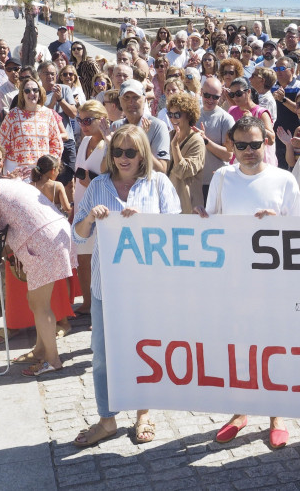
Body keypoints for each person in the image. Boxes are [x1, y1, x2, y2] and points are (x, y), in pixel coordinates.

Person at [72, 124, 181, 447]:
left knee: (143, 351)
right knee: (103, 356)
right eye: (116, 151)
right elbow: (78, 234)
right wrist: (91, 218)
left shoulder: (158, 183)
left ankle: (143, 414)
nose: (122, 158)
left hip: (146, 289)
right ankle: (107, 420)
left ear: (142, 154)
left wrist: (146, 223)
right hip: (107, 287)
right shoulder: (98, 186)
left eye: (130, 152)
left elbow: (176, 229)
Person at [198, 116, 300, 450]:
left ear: (265, 143)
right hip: (234, 279)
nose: (248, 151)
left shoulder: (285, 180)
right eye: (241, 145)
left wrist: (279, 225)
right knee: (239, 345)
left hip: (274, 281)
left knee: (274, 346)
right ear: (232, 146)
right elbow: (211, 225)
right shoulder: (222, 178)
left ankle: (276, 415)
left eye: (254, 144)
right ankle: (240, 411)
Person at [0, 165, 75, 377]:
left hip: (44, 240)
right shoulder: (3, 183)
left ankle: (52, 359)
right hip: (55, 234)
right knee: (35, 300)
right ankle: (40, 350)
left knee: (40, 305)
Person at [71, 101, 108, 316]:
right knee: (82, 258)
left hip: (100, 208)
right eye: (79, 120)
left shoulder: (109, 144)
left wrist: (87, 181)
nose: (83, 125)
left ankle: (100, 308)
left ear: (101, 120)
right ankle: (87, 303)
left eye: (88, 120)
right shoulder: (84, 141)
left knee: (99, 260)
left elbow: (107, 177)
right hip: (81, 205)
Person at [0, 77, 63, 176]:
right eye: (27, 91)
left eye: (35, 90)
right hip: (16, 169)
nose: (31, 93)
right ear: (22, 94)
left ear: (40, 92)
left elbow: (56, 143)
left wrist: (51, 164)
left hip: (42, 170)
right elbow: (2, 143)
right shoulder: (12, 115)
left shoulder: (48, 114)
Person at [111, 80, 170, 172]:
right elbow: (105, 168)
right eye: (126, 97)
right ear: (120, 101)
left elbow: (161, 169)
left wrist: (141, 142)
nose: (131, 102)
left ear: (145, 99)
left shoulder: (157, 126)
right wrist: (109, 144)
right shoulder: (116, 126)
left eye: (135, 97)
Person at [196, 77, 235, 202]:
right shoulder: (193, 115)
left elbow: (228, 155)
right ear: (201, 92)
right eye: (207, 95)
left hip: (217, 181)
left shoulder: (226, 119)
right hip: (195, 181)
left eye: (215, 97)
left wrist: (205, 141)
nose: (210, 100)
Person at [166, 92, 205, 214]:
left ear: (188, 115)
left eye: (177, 114)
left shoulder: (197, 141)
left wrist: (175, 146)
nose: (173, 119)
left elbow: (184, 171)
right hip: (168, 205)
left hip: (188, 207)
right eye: (170, 114)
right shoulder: (168, 136)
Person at [271, 56, 300, 169]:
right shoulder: (272, 87)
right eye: (276, 69)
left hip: (296, 135)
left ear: (292, 70)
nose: (278, 72)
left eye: (282, 68)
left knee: (296, 168)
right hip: (277, 135)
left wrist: (283, 100)